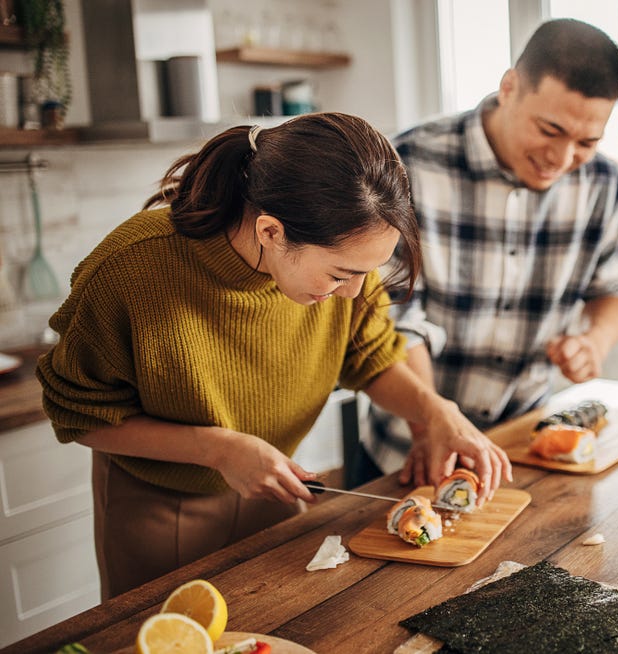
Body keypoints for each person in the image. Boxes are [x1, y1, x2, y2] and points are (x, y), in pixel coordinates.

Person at [36, 113, 511, 600]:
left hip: (272, 480)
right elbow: (79, 415)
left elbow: (370, 357)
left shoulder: (344, 262)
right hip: (160, 500)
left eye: (364, 274)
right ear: (270, 231)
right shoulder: (132, 267)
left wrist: (434, 411)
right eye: (339, 275)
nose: (352, 293)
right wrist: (220, 449)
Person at [367, 19, 618, 485]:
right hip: (410, 448)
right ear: (509, 87)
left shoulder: (601, 183)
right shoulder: (408, 162)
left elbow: (616, 288)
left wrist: (593, 341)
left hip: (527, 442)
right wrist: (430, 422)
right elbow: (389, 320)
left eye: (586, 142)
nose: (562, 157)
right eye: (549, 129)